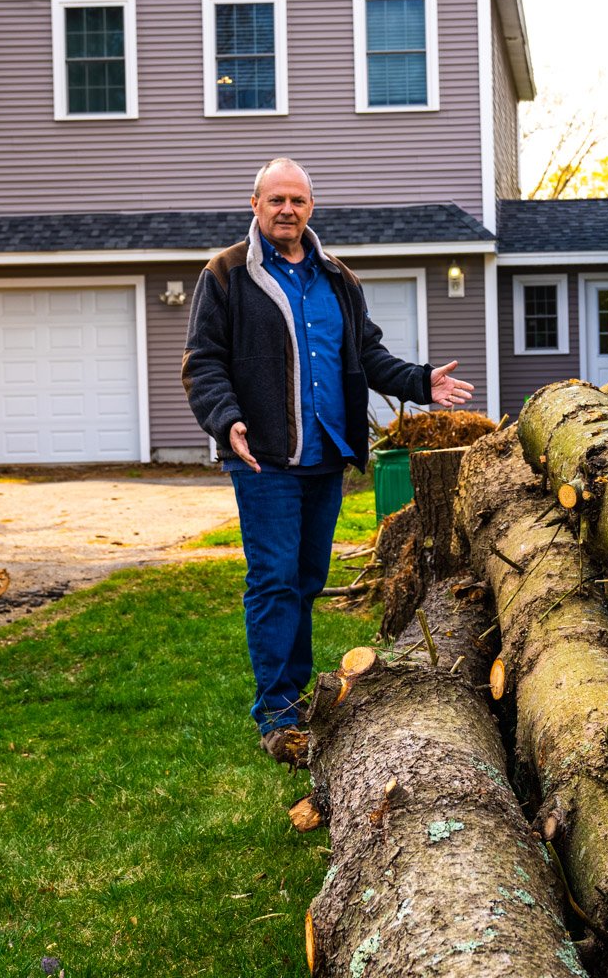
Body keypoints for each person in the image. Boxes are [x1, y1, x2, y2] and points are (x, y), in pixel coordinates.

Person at [182, 158, 473, 765]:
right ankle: (278, 712)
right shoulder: (227, 274)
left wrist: (421, 382)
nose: (287, 209)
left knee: (308, 580)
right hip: (263, 457)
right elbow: (202, 359)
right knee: (273, 579)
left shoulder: (338, 278)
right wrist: (225, 416)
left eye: (298, 200)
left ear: (311, 206)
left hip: (325, 456)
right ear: (255, 205)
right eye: (276, 199)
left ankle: (297, 698)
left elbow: (367, 355)